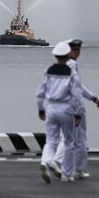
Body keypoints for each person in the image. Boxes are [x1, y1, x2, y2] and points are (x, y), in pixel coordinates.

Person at [52, 39, 99, 179]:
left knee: (70, 137)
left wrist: (92, 97)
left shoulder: (62, 65)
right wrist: (80, 108)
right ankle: (68, 165)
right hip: (74, 105)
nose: (78, 52)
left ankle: (73, 167)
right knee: (78, 138)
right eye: (76, 50)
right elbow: (76, 88)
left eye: (78, 50)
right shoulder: (72, 64)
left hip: (62, 105)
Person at [36, 42, 84, 183]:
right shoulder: (72, 73)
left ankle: (45, 162)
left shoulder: (48, 70)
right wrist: (78, 113)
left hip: (50, 107)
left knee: (50, 140)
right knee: (69, 141)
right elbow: (76, 96)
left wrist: (40, 108)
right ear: (68, 55)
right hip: (66, 107)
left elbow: (39, 93)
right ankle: (66, 174)